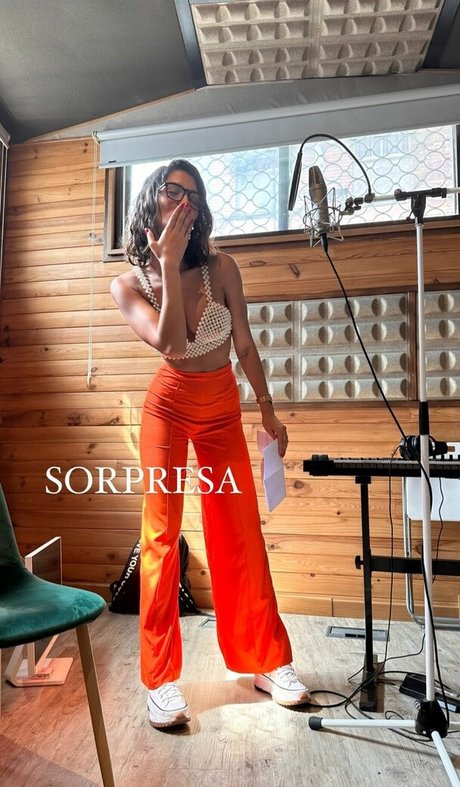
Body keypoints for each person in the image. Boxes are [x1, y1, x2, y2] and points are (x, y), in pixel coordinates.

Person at [110, 159, 310, 729]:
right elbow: (172, 344)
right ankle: (160, 680)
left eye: (193, 197)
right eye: (173, 191)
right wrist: (166, 264)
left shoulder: (222, 267)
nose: (184, 203)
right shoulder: (128, 284)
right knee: (160, 537)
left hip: (222, 405)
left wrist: (268, 411)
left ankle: (266, 661)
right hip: (168, 407)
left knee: (240, 529)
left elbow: (243, 343)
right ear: (150, 199)